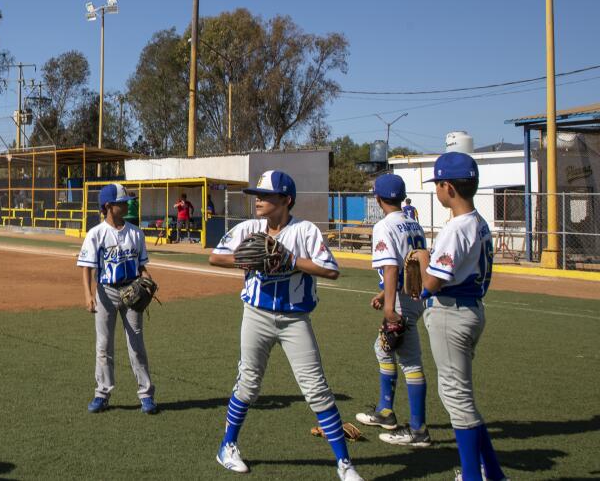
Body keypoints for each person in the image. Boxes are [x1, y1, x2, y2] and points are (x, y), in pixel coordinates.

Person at [209, 170, 362, 481]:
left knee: (317, 390)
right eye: (257, 195)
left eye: (266, 196)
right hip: (255, 315)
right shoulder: (250, 228)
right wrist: (247, 260)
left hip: (295, 320)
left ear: (286, 200)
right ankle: (227, 446)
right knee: (248, 384)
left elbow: (330, 269)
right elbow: (216, 257)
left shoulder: (305, 231)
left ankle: (345, 466)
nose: (258, 201)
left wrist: (290, 260)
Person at [412, 153, 505, 481]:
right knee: (462, 395)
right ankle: (492, 473)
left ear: (448, 186)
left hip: (453, 312)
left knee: (456, 398)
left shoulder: (457, 227)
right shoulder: (478, 221)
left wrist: (423, 257)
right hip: (471, 309)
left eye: (438, 184)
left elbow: (432, 282)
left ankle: (472, 476)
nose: (437, 190)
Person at [355, 174, 431, 447]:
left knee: (410, 360)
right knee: (383, 348)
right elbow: (409, 263)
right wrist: (384, 294)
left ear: (378, 198)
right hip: (413, 295)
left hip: (402, 300)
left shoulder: (385, 226)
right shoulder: (414, 223)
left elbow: (391, 267)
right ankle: (385, 412)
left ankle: (418, 430)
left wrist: (389, 306)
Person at [76, 183, 157, 415]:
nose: (126, 204)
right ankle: (102, 394)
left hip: (132, 291)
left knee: (136, 344)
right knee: (104, 345)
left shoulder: (135, 232)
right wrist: (88, 295)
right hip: (106, 293)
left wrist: (147, 280)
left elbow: (141, 265)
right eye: (122, 202)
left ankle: (146, 395)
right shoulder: (96, 234)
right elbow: (86, 268)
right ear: (109, 206)